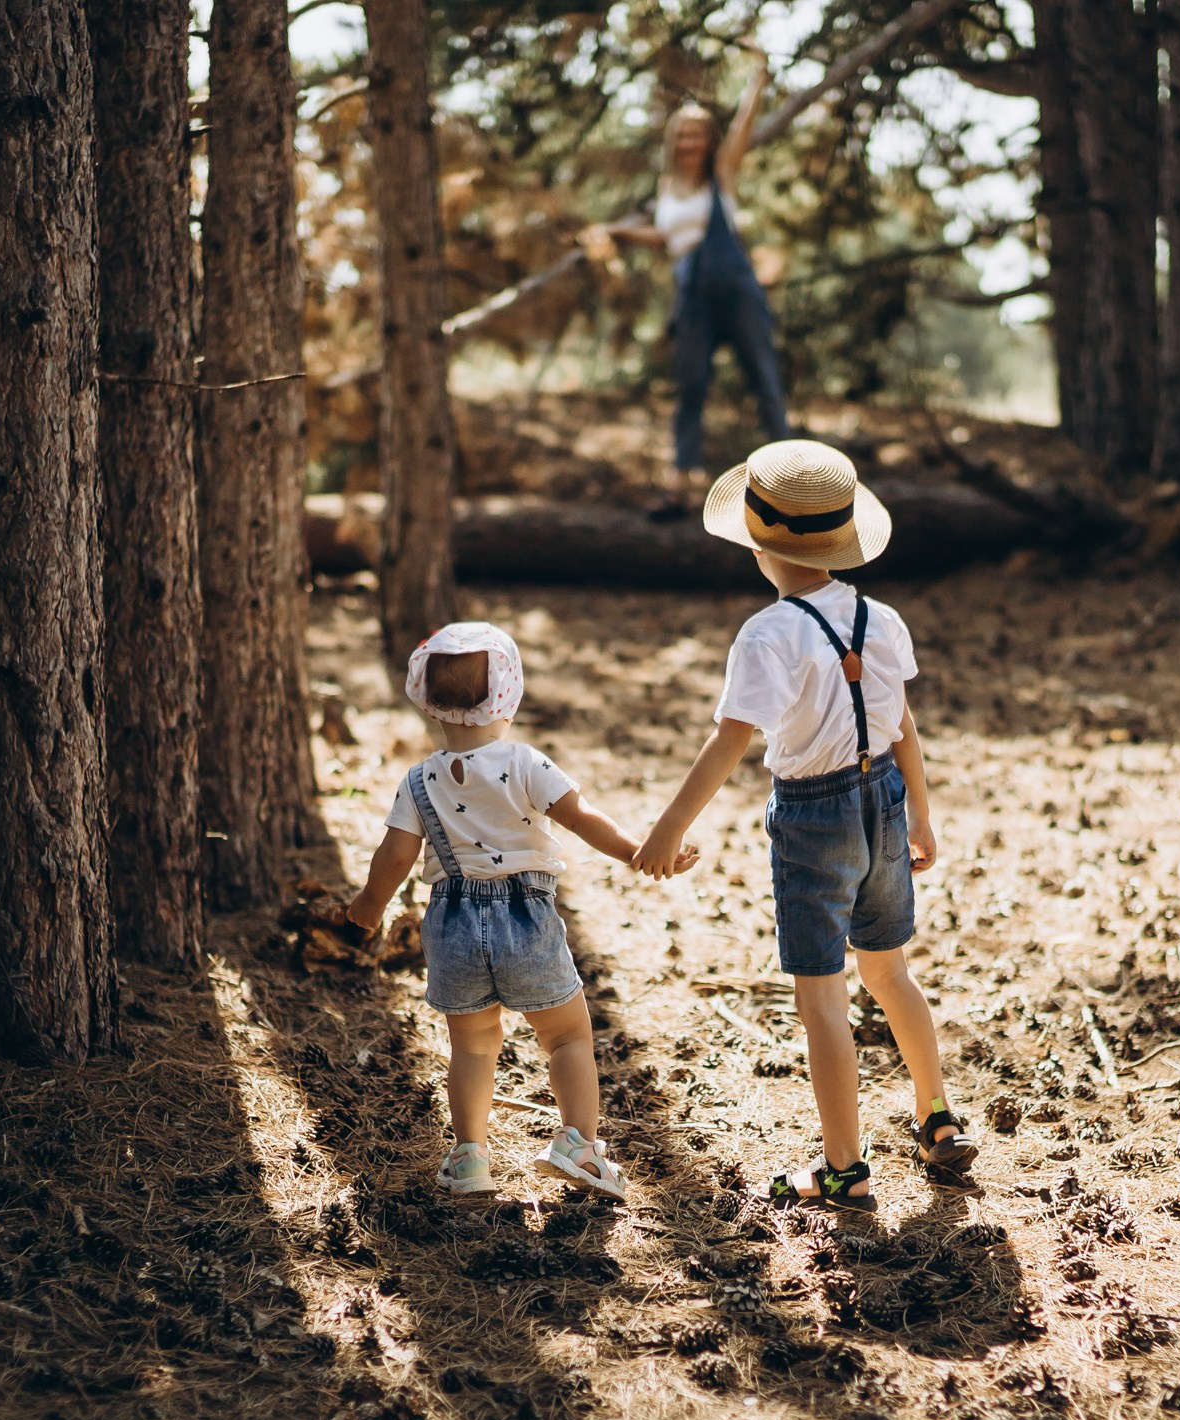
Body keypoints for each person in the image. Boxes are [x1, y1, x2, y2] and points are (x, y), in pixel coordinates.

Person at [634, 440, 977, 1211]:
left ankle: (844, 1170)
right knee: (890, 973)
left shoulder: (767, 634)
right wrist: (922, 813)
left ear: (759, 543)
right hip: (883, 798)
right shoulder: (882, 619)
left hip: (813, 815)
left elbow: (732, 737)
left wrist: (668, 825)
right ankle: (938, 1119)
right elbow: (904, 727)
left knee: (822, 999)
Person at [345, 623, 689, 1199]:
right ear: (508, 694)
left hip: (451, 924)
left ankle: (470, 1158)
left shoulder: (418, 781)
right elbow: (583, 818)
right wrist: (637, 852)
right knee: (568, 1038)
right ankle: (578, 1144)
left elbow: (395, 854)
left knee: (473, 1046)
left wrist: (368, 906)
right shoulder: (526, 762)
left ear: (429, 703)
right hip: (524, 917)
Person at [586, 51, 790, 511]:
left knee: (764, 378)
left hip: (736, 287)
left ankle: (794, 486)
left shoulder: (722, 175)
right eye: (683, 135)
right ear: (674, 141)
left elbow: (742, 128)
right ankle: (680, 485)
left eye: (698, 134)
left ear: (709, 140)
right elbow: (667, 237)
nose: (690, 142)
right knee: (690, 385)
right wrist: (618, 231)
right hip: (692, 291)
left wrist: (759, 78)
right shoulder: (667, 186)